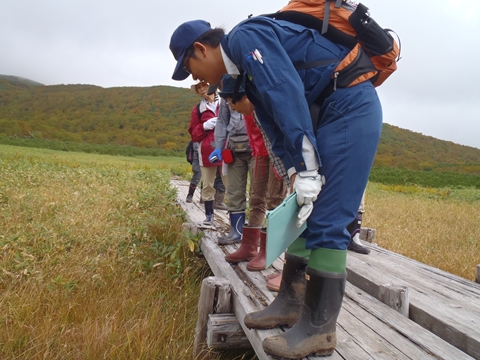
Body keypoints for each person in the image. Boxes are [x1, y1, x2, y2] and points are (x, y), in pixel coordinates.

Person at [170, 16, 382, 359]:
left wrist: (309, 165)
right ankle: (291, 302)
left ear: (200, 48)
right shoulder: (241, 72)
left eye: (190, 66)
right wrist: (298, 173)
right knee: (302, 208)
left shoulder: (244, 39)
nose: (196, 77)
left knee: (328, 219)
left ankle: (319, 328)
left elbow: (285, 94)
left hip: (349, 109)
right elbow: (275, 128)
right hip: (324, 114)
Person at [214, 74, 287, 270]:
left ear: (244, 96)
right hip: (260, 154)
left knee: (274, 200)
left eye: (231, 102)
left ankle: (269, 251)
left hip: (276, 154)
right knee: (256, 199)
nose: (231, 107)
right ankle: (249, 246)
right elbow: (256, 137)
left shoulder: (264, 106)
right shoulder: (248, 112)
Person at [209, 84, 254, 245]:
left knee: (258, 194)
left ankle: (256, 235)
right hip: (234, 147)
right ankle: (236, 231)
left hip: (256, 146)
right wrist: (219, 146)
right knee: (234, 191)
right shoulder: (225, 94)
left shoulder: (250, 84)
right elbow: (222, 121)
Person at [188, 81, 227, 225]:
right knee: (207, 184)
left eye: (204, 85)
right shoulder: (198, 109)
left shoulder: (226, 102)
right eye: (199, 87)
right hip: (206, 151)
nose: (202, 89)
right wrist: (204, 126)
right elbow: (193, 134)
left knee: (230, 184)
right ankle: (209, 215)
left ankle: (235, 217)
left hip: (226, 149)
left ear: (213, 86)